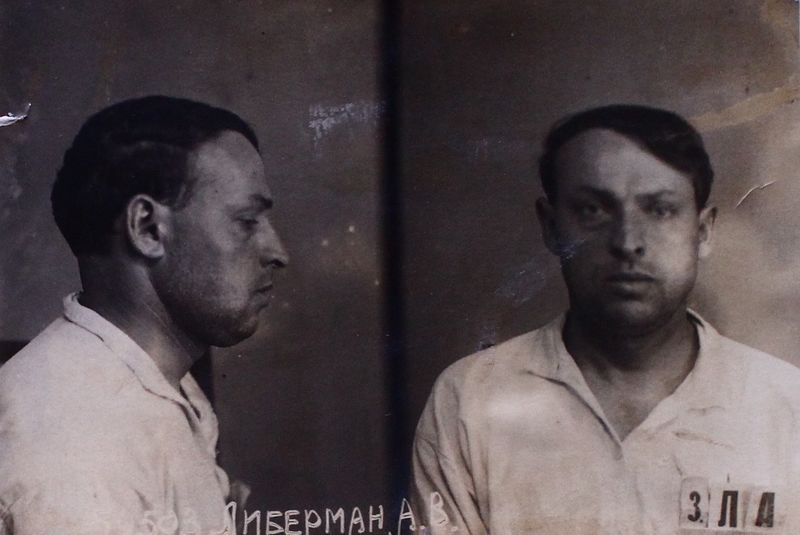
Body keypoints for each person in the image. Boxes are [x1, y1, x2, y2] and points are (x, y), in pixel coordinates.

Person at [410, 105, 800, 535]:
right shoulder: (470, 399)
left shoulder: (786, 408)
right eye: (593, 210)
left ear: (703, 231)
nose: (628, 242)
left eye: (660, 210)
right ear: (551, 226)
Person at [0, 96, 288, 534]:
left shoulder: (155, 387)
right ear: (148, 229)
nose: (278, 253)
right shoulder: (77, 437)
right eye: (247, 221)